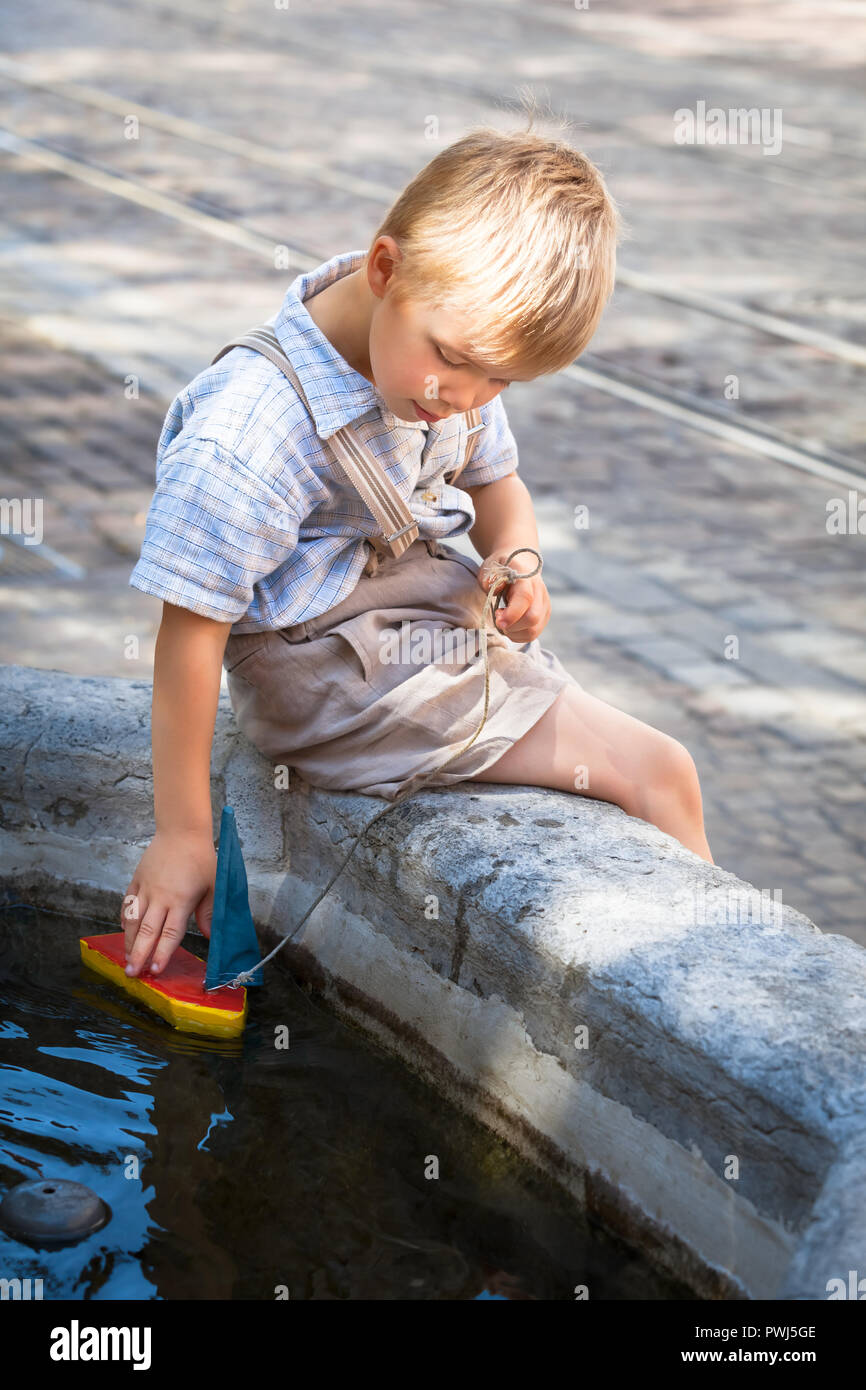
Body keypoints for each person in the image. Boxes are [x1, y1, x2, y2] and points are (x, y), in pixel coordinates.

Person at [121, 115, 713, 982]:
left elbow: (498, 488)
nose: (466, 397)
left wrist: (517, 559)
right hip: (337, 682)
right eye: (457, 362)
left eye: (501, 381)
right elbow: (189, 636)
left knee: (653, 767)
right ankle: (696, 1001)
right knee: (658, 773)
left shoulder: (444, 351)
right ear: (386, 267)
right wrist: (183, 834)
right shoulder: (250, 433)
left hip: (411, 629)